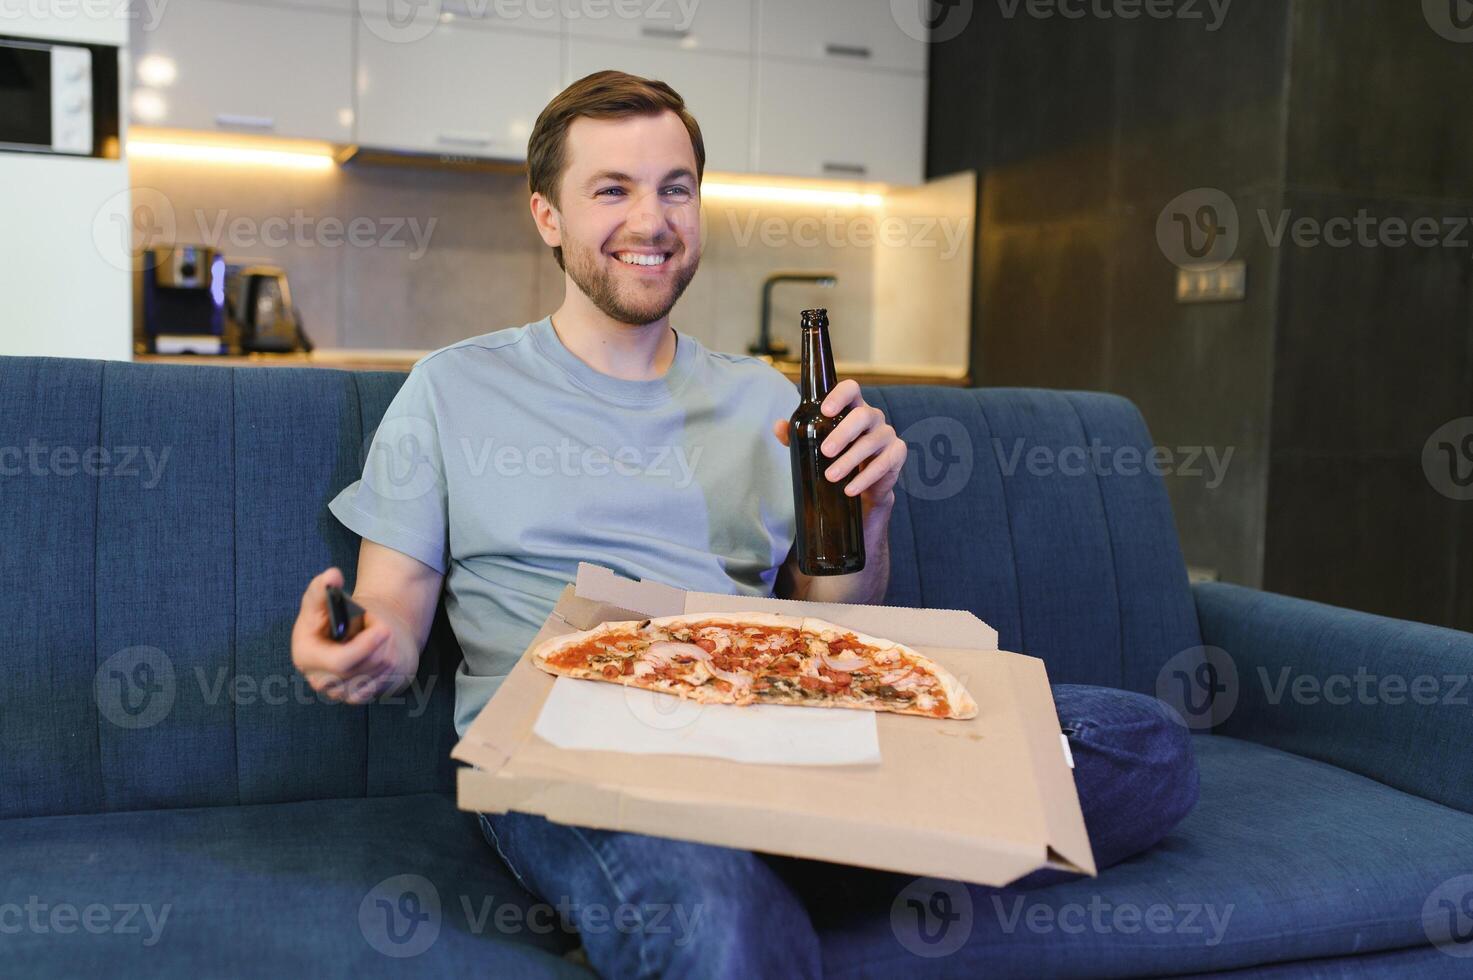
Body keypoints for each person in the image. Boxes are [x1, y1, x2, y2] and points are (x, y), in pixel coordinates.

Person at [291, 70, 1199, 977]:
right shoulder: (452, 389)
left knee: (1141, 745)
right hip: (569, 749)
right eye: (611, 189)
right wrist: (361, 650)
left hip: (768, 725)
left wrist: (868, 514)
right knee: (717, 923)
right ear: (547, 216)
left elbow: (834, 622)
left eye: (674, 188)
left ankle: (756, 861)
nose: (652, 221)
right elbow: (392, 616)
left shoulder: (766, 399)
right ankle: (784, 872)